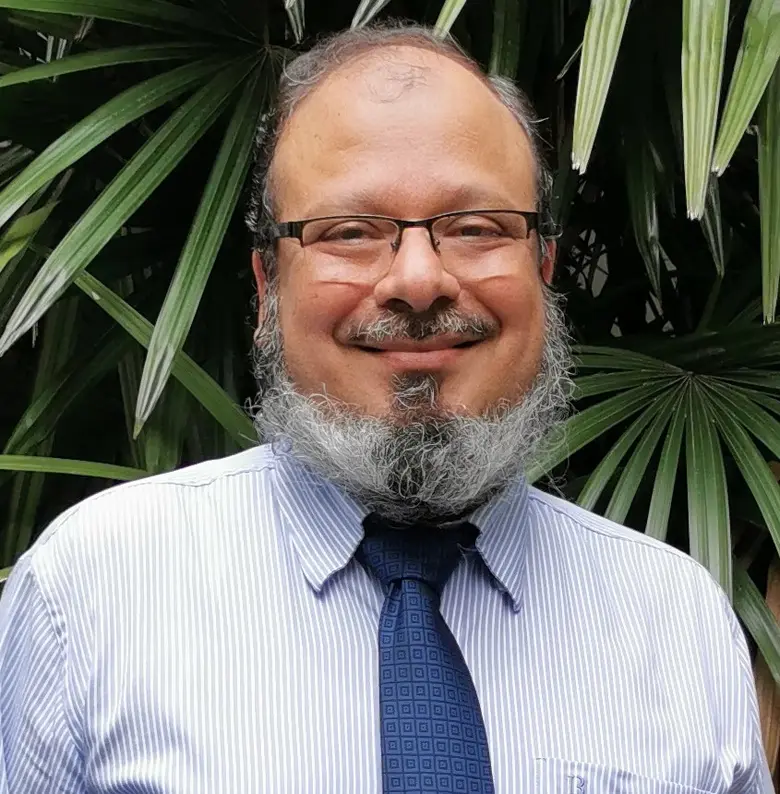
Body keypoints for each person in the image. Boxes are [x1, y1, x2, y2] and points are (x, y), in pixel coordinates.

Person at [0, 22, 772, 794]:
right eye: (350, 232)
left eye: (475, 228)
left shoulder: (678, 624)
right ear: (268, 289)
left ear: (543, 268)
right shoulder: (92, 594)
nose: (418, 280)